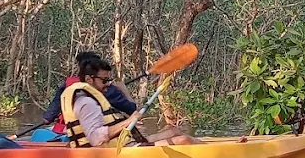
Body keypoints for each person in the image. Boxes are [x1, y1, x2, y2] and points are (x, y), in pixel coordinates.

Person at [60, 55, 200, 148]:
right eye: (104, 80)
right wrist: (128, 122)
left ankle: (210, 150)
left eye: (108, 80)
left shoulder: (91, 98)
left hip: (121, 144)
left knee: (173, 131)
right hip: (114, 152)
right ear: (89, 79)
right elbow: (95, 138)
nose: (108, 84)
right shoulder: (87, 103)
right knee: (184, 141)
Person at [34, 52, 139, 142]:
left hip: (62, 131)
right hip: (82, 138)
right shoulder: (108, 90)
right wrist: (124, 90)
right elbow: (132, 109)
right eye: (104, 80)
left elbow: (47, 119)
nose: (107, 83)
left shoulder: (67, 85)